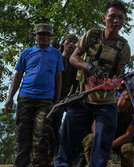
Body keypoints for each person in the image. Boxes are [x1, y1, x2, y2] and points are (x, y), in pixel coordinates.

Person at [54, 1, 131, 166]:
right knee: (68, 143)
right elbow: (73, 58)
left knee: (102, 144)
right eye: (112, 17)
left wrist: (116, 80)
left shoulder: (124, 46)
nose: (116, 21)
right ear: (104, 18)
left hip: (106, 101)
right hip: (82, 97)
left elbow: (120, 72)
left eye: (120, 18)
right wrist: (88, 67)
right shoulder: (92, 35)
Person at [4, 23, 64, 167]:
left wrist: (57, 98)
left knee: (42, 136)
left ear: (50, 37)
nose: (44, 37)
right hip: (25, 98)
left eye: (47, 34)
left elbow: (58, 77)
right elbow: (18, 75)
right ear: (35, 36)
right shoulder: (26, 52)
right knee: (22, 136)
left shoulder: (56, 54)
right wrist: (10, 97)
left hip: (46, 100)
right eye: (41, 34)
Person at [81, 81, 134, 167]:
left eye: (133, 92)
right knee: (90, 139)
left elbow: (128, 134)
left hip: (119, 143)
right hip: (103, 139)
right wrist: (101, 142)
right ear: (122, 91)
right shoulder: (109, 104)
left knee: (128, 149)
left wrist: (110, 145)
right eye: (129, 89)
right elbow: (95, 124)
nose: (130, 93)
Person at [48, 34, 79, 164]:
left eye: (74, 43)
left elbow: (75, 84)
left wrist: (68, 99)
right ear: (63, 43)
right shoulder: (55, 57)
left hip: (61, 101)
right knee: (45, 126)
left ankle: (52, 156)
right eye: (69, 41)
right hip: (47, 96)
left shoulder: (74, 63)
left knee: (55, 126)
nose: (71, 44)